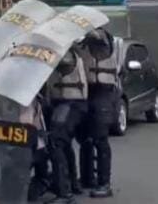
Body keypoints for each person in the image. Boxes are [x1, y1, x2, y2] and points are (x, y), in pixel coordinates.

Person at [78, 28, 118, 198]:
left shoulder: (103, 39)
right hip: (88, 92)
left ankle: (105, 183)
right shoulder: (83, 45)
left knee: (100, 139)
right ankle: (87, 178)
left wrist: (84, 33)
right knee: (85, 138)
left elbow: (97, 36)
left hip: (104, 92)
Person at [45, 47, 88, 204]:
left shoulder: (66, 53)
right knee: (64, 143)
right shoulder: (62, 50)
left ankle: (65, 193)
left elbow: (54, 62)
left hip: (72, 103)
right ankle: (72, 184)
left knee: (56, 142)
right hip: (62, 103)